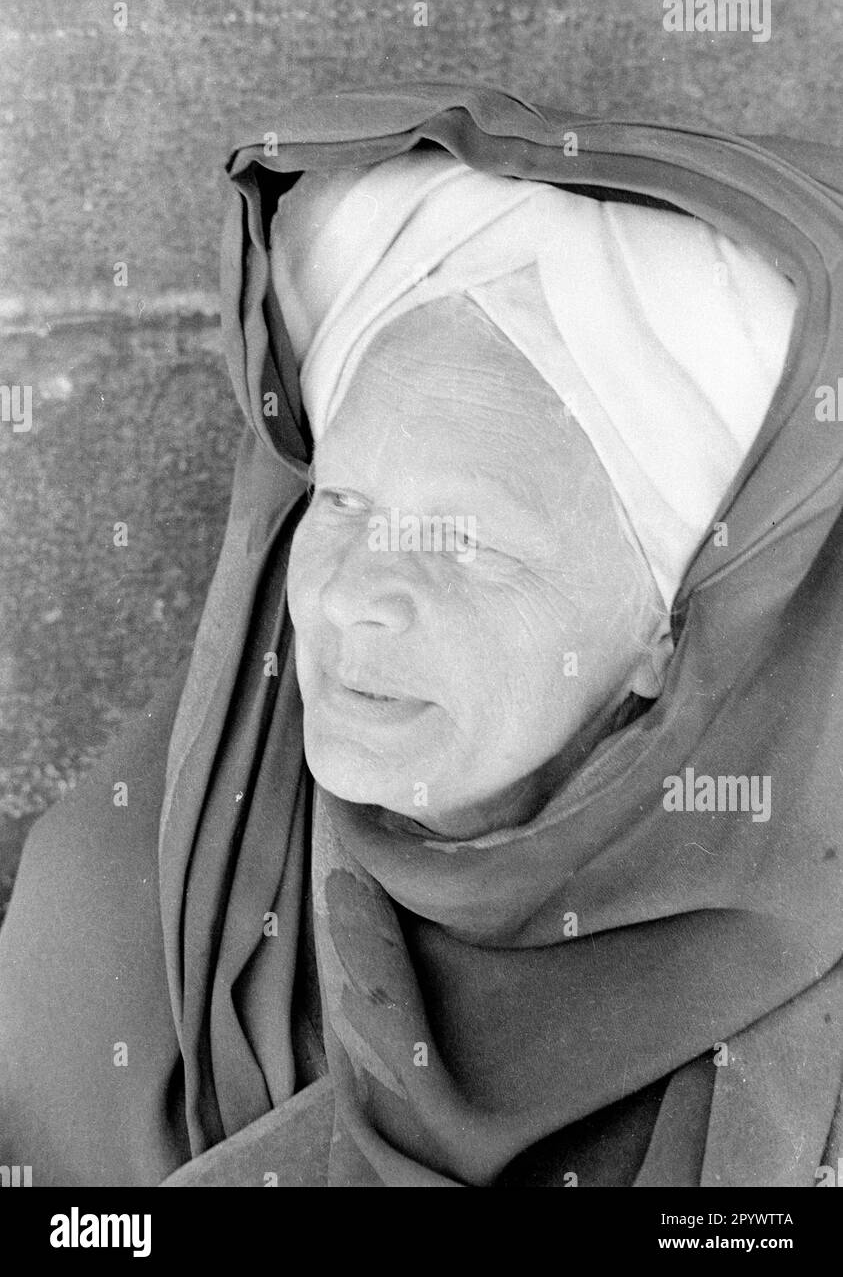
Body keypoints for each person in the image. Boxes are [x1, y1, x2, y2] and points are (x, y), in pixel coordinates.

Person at [1, 81, 842, 1187]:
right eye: (343, 502)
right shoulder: (121, 908)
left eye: (466, 543)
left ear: (670, 627)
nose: (353, 598)